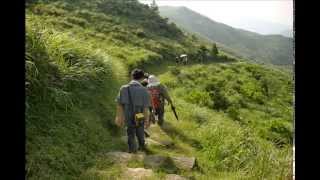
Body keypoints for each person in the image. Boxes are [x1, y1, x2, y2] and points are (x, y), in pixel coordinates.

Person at [115, 69, 151, 153]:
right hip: (140, 115)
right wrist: (146, 119)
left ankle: (132, 150)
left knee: (130, 133)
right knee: (140, 130)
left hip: (128, 115)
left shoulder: (123, 88)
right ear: (142, 78)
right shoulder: (144, 90)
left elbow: (119, 105)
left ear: (132, 77)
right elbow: (145, 108)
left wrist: (119, 117)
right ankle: (142, 146)